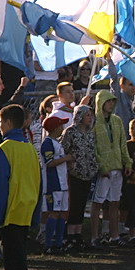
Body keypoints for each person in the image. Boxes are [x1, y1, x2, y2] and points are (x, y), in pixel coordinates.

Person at [0, 104, 41, 270]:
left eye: (1, 121)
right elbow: (39, 181)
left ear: (9, 123)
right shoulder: (29, 148)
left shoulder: (5, 149)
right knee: (14, 252)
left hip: (10, 208)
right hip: (27, 206)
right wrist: (37, 212)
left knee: (13, 255)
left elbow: (1, 185)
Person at [91, 90, 133, 247]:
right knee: (98, 203)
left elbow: (122, 143)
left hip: (117, 167)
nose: (110, 104)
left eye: (112, 101)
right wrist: (102, 165)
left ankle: (114, 235)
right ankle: (95, 236)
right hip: (104, 170)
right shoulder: (95, 123)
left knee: (115, 202)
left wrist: (127, 162)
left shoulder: (116, 121)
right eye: (107, 101)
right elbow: (94, 147)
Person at [60, 105, 97, 250]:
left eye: (90, 115)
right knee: (74, 204)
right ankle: (70, 235)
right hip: (75, 173)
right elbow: (63, 149)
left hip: (88, 173)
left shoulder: (90, 133)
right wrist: (70, 162)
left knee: (82, 204)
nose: (90, 118)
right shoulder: (70, 132)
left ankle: (78, 235)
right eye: (87, 115)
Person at [40, 116, 71, 254]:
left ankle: (59, 242)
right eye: (61, 126)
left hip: (62, 184)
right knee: (54, 212)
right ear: (55, 128)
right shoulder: (47, 143)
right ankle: (48, 243)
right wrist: (66, 158)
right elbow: (49, 162)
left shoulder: (56, 142)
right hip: (53, 184)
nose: (62, 128)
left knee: (63, 213)